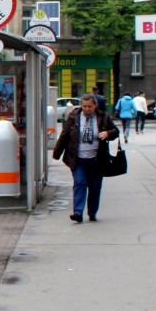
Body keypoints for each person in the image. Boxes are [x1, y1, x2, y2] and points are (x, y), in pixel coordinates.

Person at [52, 93, 118, 223]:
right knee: (80, 183)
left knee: (94, 186)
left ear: (95, 106)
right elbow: (64, 135)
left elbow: (115, 132)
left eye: (90, 106)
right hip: (78, 159)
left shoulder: (103, 117)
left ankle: (92, 212)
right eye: (84, 106)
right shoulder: (74, 117)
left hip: (97, 159)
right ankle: (78, 212)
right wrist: (56, 153)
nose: (87, 109)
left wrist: (108, 133)